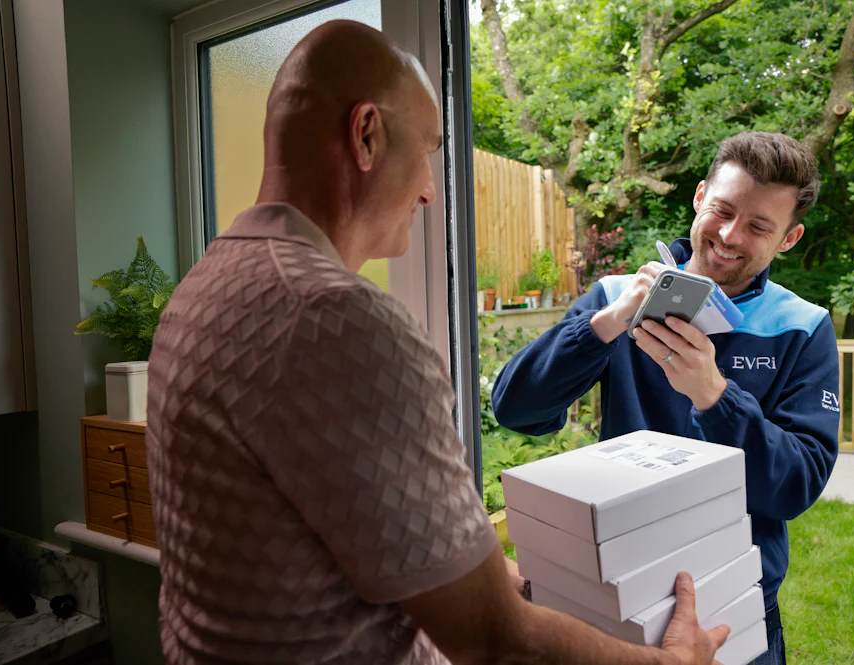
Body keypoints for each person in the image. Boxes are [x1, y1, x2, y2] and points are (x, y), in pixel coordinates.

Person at [146, 20, 729, 665]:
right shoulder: (336, 320)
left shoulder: (201, 289)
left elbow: (309, 531)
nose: (429, 188)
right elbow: (494, 641)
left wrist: (470, 571)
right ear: (366, 134)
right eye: (426, 151)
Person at [492, 132, 841, 665]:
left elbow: (796, 486)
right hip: (610, 594)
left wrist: (715, 396)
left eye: (758, 226)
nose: (728, 234)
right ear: (699, 197)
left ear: (788, 239)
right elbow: (517, 410)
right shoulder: (613, 297)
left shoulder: (802, 328)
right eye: (722, 209)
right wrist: (605, 325)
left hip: (735, 604)